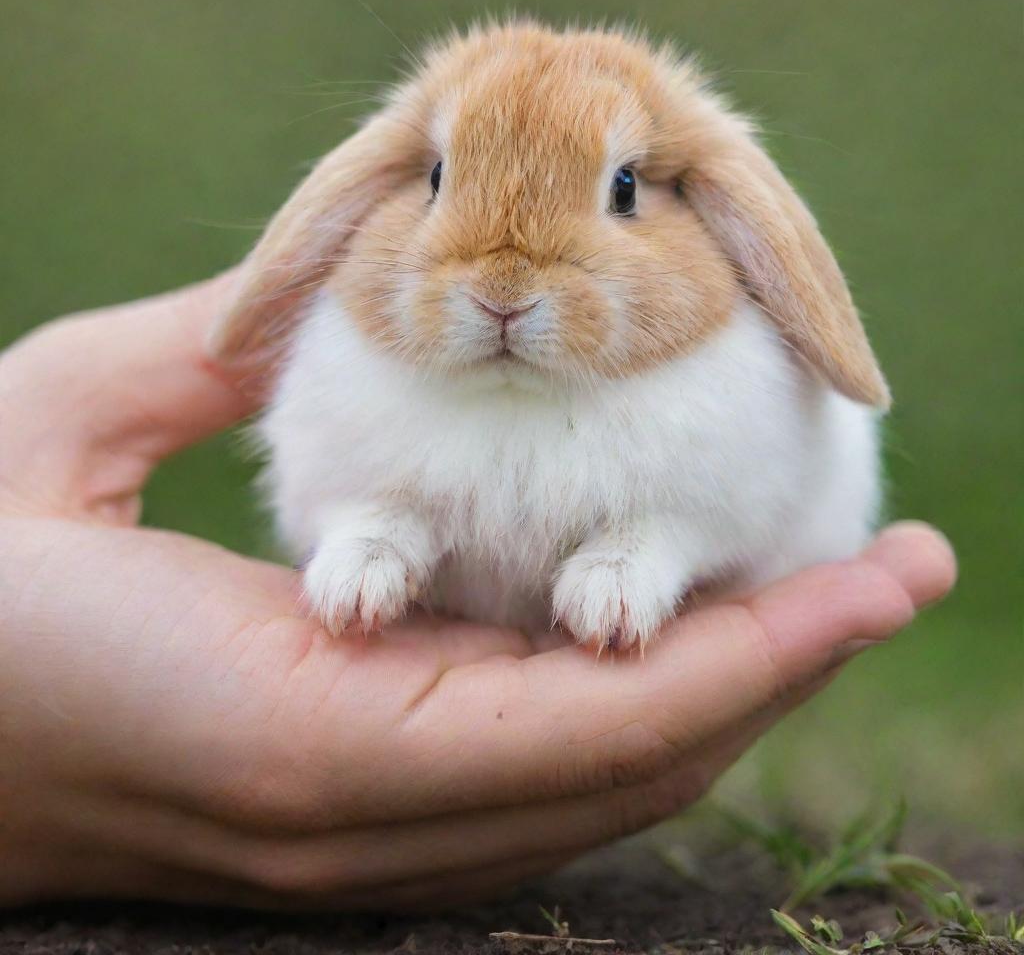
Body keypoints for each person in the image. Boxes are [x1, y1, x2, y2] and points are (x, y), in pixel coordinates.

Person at [0, 271, 956, 909]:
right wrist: (370, 520)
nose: (505, 285)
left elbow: (766, 485)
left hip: (719, 556)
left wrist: (660, 540)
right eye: (442, 180)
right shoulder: (354, 338)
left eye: (619, 195)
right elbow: (316, 474)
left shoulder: (728, 370)